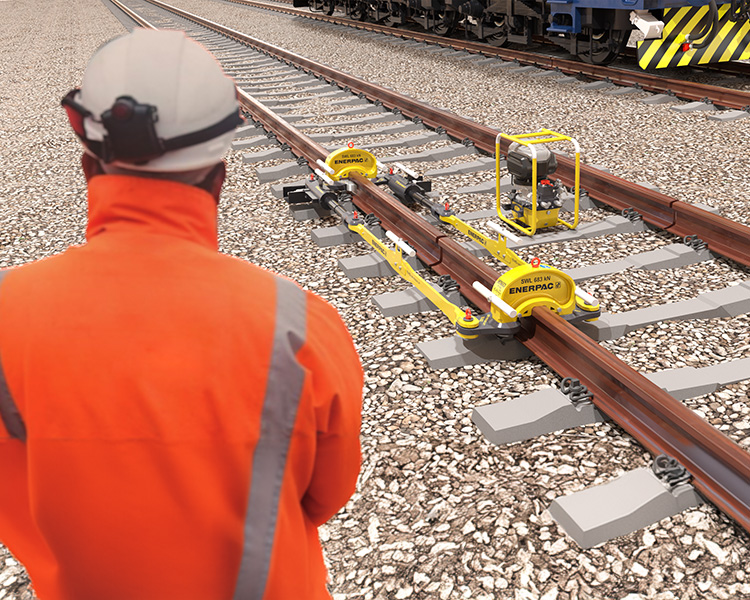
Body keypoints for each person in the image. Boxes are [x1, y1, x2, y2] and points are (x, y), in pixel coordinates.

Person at [0, 29, 363, 600]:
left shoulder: (7, 317)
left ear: (86, 155)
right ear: (220, 173)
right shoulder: (300, 324)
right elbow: (326, 494)